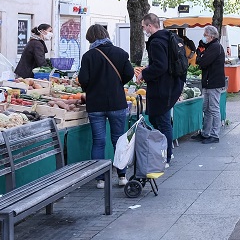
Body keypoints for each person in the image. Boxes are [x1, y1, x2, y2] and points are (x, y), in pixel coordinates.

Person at [77, 24, 134, 188]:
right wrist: (117, 84)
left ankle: (100, 178)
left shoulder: (88, 56)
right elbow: (129, 73)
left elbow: (83, 79)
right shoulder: (121, 53)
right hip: (117, 102)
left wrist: (91, 89)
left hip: (95, 104)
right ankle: (122, 176)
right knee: (118, 140)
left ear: (91, 38)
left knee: (98, 141)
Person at [139, 14, 184, 164]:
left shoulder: (156, 42)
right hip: (170, 85)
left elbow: (160, 66)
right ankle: (164, 152)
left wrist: (144, 73)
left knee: (163, 121)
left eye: (144, 26)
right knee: (160, 119)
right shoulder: (168, 37)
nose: (144, 29)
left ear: (150, 26)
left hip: (162, 88)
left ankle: (166, 155)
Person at [193, 25, 226, 144]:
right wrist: (201, 55)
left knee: (213, 108)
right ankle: (205, 133)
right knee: (206, 108)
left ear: (211, 36)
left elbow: (203, 62)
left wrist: (201, 56)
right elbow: (199, 61)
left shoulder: (215, 47)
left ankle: (214, 134)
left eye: (205, 35)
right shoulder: (210, 46)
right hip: (208, 82)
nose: (203, 37)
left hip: (213, 82)